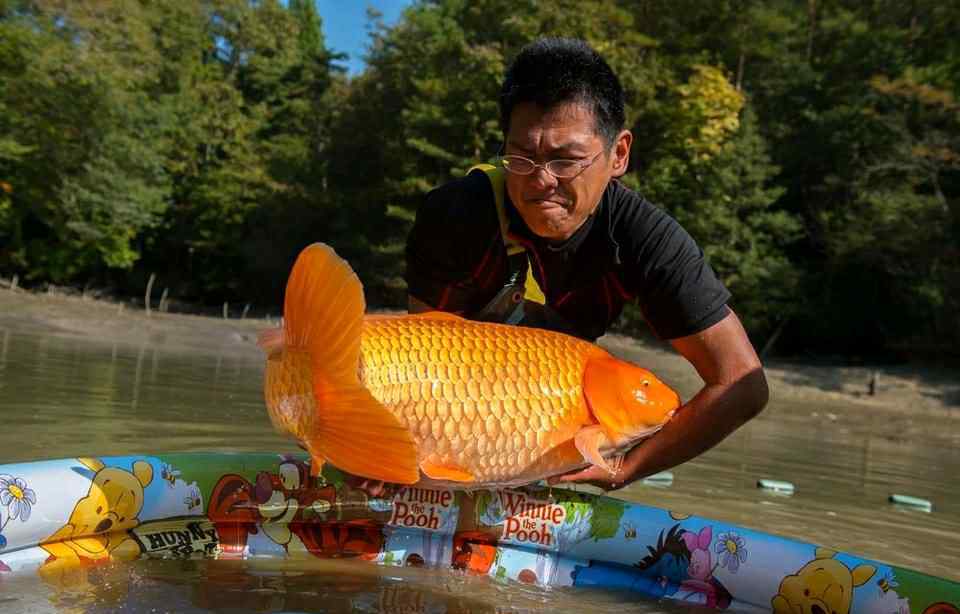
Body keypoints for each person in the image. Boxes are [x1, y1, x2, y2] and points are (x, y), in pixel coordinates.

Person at [403, 37, 768, 491]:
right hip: (457, 417)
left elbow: (741, 383)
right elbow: (418, 368)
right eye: (522, 157)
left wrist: (627, 467)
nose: (541, 182)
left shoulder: (645, 239)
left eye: (566, 160)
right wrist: (384, 451)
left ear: (618, 155)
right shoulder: (456, 215)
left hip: (547, 430)